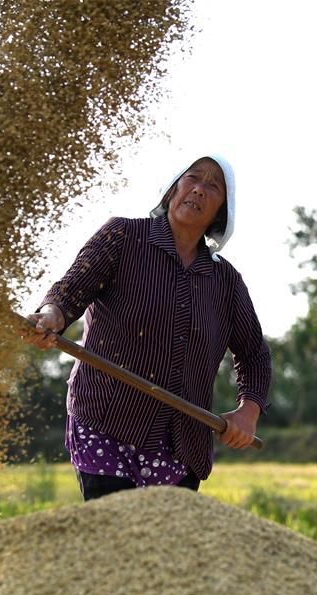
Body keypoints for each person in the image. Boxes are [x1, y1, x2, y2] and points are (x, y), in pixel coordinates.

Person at [28, 155, 271, 501]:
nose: (199, 189)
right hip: (104, 419)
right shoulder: (123, 236)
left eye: (213, 186)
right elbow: (70, 292)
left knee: (162, 550)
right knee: (115, 535)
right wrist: (51, 316)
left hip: (180, 441)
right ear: (173, 189)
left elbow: (254, 354)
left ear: (221, 211)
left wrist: (248, 412)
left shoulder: (225, 281)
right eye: (193, 179)